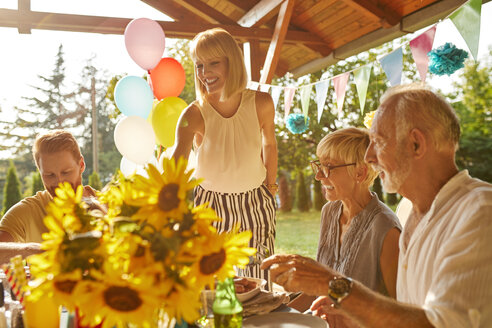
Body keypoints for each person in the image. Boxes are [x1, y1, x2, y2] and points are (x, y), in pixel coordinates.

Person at [262, 84, 492, 327]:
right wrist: (350, 313)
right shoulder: (411, 212)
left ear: (416, 144)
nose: (370, 157)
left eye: (378, 142)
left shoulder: (480, 212)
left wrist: (332, 285)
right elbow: (406, 312)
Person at [172, 28, 278, 282]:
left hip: (255, 202)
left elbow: (270, 145)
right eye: (199, 66)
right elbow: (176, 162)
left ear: (232, 61)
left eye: (213, 63)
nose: (205, 73)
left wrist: (270, 185)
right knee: (210, 282)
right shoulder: (194, 113)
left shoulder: (261, 103)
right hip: (210, 206)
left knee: (258, 281)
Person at [288, 128, 401, 327]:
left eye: (329, 167)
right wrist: (271, 315)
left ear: (360, 172)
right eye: (319, 166)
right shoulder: (330, 212)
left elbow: (398, 309)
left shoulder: (385, 228)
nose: (319, 176)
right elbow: (319, 288)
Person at [0, 130, 98, 263]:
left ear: (81, 165)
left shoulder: (108, 206)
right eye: (49, 175)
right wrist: (32, 249)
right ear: (40, 172)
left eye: (66, 172)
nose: (59, 182)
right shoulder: (26, 212)